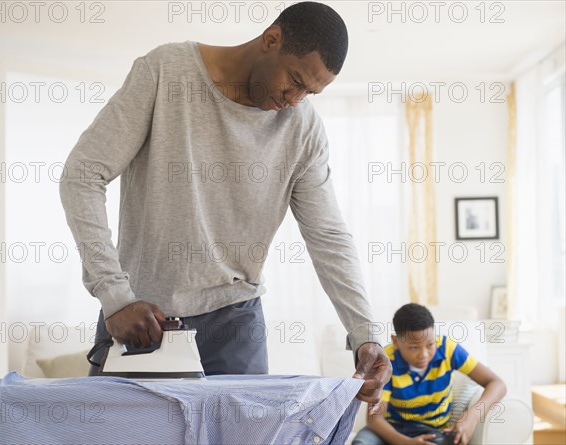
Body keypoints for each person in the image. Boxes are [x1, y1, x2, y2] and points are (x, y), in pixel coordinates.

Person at [60, 1, 391, 410]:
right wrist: (115, 296)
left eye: (310, 92)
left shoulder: (303, 129)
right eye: (294, 81)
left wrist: (364, 334)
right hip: (142, 320)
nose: (295, 99)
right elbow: (83, 174)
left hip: (237, 323)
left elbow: (328, 235)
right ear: (271, 40)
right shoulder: (166, 71)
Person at [352, 303, 506, 445]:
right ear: (396, 342)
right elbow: (374, 419)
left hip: (433, 432)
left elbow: (497, 384)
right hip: (391, 431)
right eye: (413, 347)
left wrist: (471, 417)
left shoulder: (448, 349)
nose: (424, 354)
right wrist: (407, 443)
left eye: (430, 344)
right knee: (362, 442)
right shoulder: (386, 361)